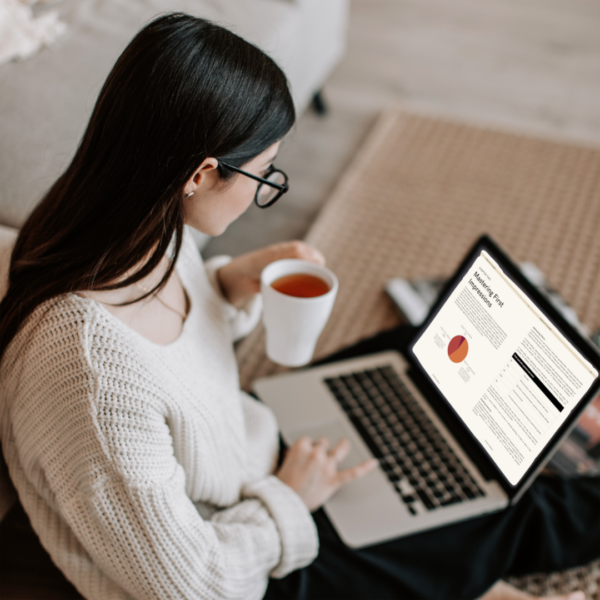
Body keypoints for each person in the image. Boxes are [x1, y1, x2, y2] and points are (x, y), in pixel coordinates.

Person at [0, 12, 598, 600]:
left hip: (245, 448)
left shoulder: (123, 220)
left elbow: (164, 344)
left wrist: (229, 284)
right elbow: (196, 586)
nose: (264, 190)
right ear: (203, 174)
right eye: (263, 175)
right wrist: (290, 496)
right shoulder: (92, 383)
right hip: (249, 553)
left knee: (411, 362)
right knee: (501, 509)